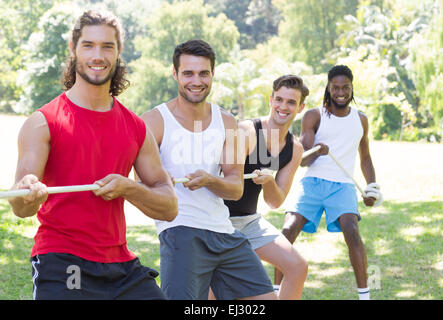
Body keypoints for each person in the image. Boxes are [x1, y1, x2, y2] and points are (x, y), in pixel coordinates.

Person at [8, 10, 177, 300]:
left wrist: (129, 188)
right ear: (73, 50)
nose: (97, 55)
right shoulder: (42, 122)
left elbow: (169, 206)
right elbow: (21, 207)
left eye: (107, 46)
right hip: (64, 261)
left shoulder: (136, 127)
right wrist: (27, 193)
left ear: (118, 52)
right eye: (88, 45)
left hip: (122, 266)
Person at [141, 39, 277, 300]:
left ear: (213, 74)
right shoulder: (153, 122)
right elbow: (145, 191)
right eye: (188, 73)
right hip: (181, 232)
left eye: (204, 73)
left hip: (224, 231)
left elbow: (236, 188)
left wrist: (209, 180)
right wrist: (160, 183)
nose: (197, 80)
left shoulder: (228, 121)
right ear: (175, 74)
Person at [275, 65, 382, 300]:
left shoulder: (361, 120)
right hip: (312, 182)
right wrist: (316, 151)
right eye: (336, 87)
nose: (340, 92)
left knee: (351, 230)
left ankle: (365, 295)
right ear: (329, 87)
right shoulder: (314, 115)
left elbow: (365, 157)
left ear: (351, 88)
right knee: (287, 229)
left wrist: (371, 187)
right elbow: (302, 160)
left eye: (345, 87)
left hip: (342, 185)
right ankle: (275, 293)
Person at [218, 75, 309, 300]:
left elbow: (275, 201)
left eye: (291, 102)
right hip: (217, 220)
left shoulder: (294, 148)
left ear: (301, 107)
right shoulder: (247, 131)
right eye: (279, 99)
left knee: (298, 267)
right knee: (213, 295)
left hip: (249, 221)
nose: (283, 107)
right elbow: (223, 180)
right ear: (271, 100)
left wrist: (269, 182)